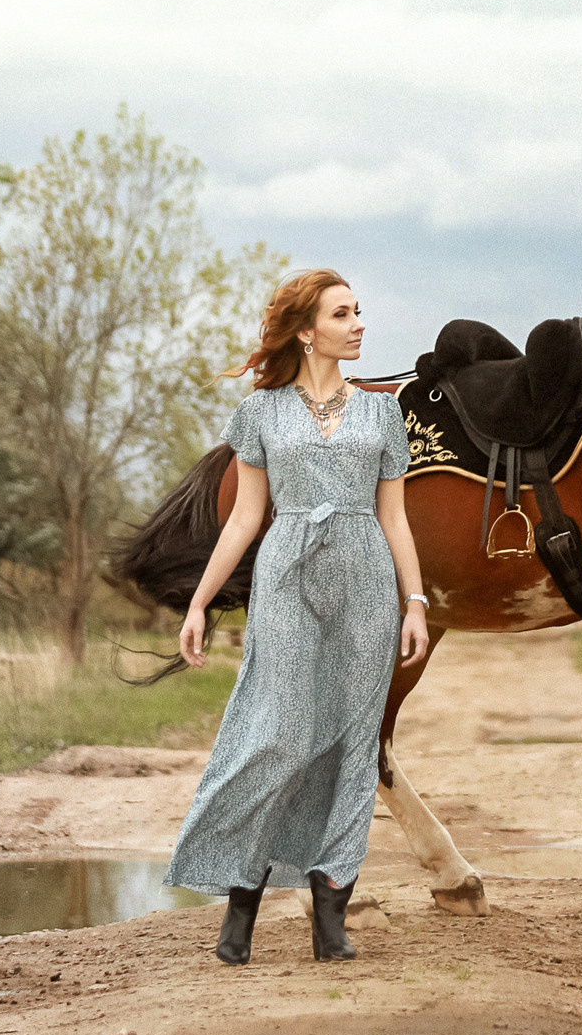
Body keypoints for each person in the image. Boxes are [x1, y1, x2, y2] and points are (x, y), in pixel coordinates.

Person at [163, 268, 432, 964]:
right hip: (285, 578)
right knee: (277, 732)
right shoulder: (260, 414)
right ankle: (241, 897)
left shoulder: (382, 413)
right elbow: (246, 518)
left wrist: (415, 602)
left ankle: (330, 911)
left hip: (366, 580)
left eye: (360, 311)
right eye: (344, 315)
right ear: (308, 332)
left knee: (349, 742)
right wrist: (200, 602)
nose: (360, 324)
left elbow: (396, 520)